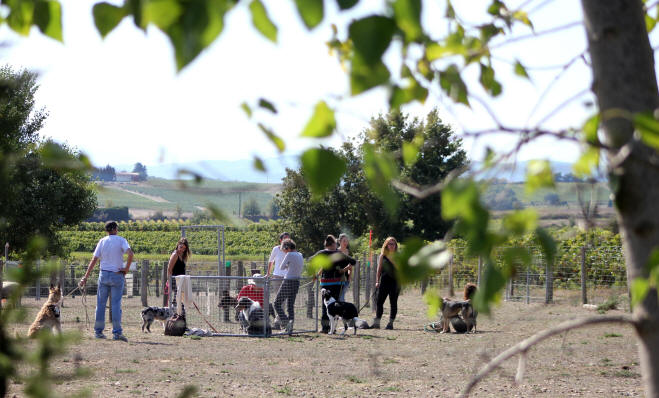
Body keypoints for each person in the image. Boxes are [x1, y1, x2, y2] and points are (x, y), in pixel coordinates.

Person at [79, 221, 134, 341]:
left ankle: (98, 332)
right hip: (117, 274)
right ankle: (117, 333)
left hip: (103, 274)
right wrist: (126, 268)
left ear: (107, 230)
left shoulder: (102, 241)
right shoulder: (121, 240)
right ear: (115, 229)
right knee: (115, 304)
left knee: (100, 305)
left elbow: (94, 259)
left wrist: (86, 276)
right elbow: (130, 253)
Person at [313, 235, 356, 333]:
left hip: (324, 282)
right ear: (333, 244)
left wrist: (314, 275)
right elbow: (353, 262)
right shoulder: (338, 253)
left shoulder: (321, 253)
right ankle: (333, 328)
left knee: (325, 306)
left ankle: (325, 328)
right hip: (336, 283)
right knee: (335, 306)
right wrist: (343, 268)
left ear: (326, 244)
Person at [273, 239, 304, 333]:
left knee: (276, 303)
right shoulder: (300, 255)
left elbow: (281, 267)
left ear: (287, 248)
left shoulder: (289, 254)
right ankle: (290, 327)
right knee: (290, 306)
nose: (284, 252)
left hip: (288, 281)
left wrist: (288, 265)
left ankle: (286, 322)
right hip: (296, 282)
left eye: (284, 250)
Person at [374, 236, 400, 330]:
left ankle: (390, 323)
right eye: (390, 244)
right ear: (386, 245)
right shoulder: (382, 256)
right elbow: (379, 269)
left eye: (393, 244)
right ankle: (377, 323)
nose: (392, 246)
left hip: (395, 283)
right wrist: (377, 281)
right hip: (384, 281)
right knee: (379, 302)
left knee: (393, 303)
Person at [266, 232, 289, 326]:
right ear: (280, 240)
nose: (287, 240)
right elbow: (271, 261)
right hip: (277, 277)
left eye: (288, 238)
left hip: (287, 277)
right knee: (279, 298)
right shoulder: (276, 249)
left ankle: (279, 320)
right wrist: (268, 273)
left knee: (284, 299)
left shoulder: (291, 250)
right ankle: (280, 320)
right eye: (285, 238)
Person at [167, 238, 190, 313]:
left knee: (179, 300)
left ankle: (178, 315)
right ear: (178, 245)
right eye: (181, 247)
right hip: (175, 280)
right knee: (176, 300)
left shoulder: (182, 255)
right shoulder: (175, 254)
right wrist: (169, 281)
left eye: (184, 248)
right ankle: (174, 315)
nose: (182, 249)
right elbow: (169, 269)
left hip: (181, 281)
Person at [337, 233, 351, 302]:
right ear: (339, 241)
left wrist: (349, 277)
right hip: (337, 279)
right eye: (344, 241)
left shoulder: (347, 251)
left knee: (341, 297)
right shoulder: (336, 252)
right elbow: (337, 268)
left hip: (346, 279)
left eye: (347, 241)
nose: (346, 243)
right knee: (340, 298)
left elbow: (350, 265)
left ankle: (342, 312)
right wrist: (347, 268)